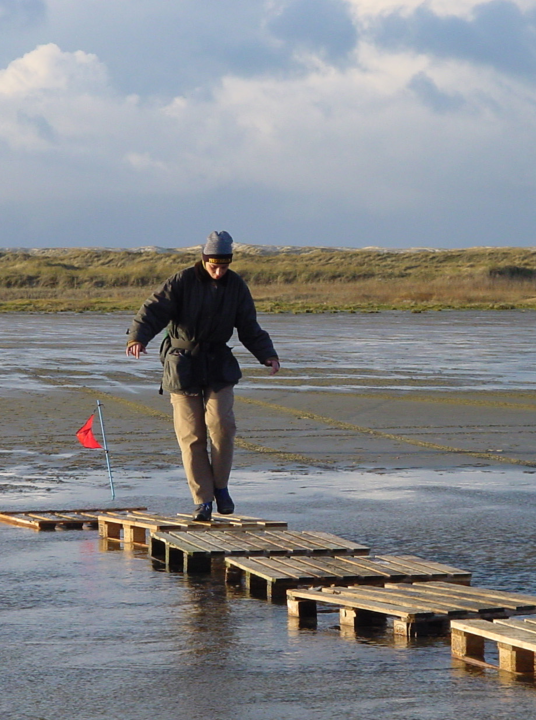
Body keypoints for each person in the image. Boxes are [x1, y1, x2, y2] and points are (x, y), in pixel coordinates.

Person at [125, 231, 280, 521]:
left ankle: (221, 487)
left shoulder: (236, 286)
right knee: (191, 435)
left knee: (222, 426)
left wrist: (267, 354)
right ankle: (203, 500)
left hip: (219, 363)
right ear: (204, 259)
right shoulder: (181, 281)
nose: (219, 272)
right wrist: (138, 338)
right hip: (182, 364)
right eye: (214, 266)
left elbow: (248, 326)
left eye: (224, 266)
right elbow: (153, 311)